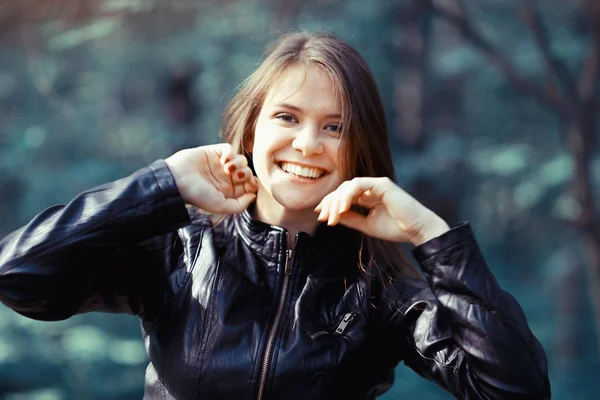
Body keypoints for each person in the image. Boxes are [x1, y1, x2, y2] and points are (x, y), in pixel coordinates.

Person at [0, 31, 549, 399]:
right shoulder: (183, 247)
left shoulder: (379, 289)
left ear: (361, 149)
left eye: (335, 127)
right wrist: (161, 183)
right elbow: (18, 274)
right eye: (287, 116)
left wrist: (430, 235)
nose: (308, 144)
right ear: (253, 130)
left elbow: (515, 390)